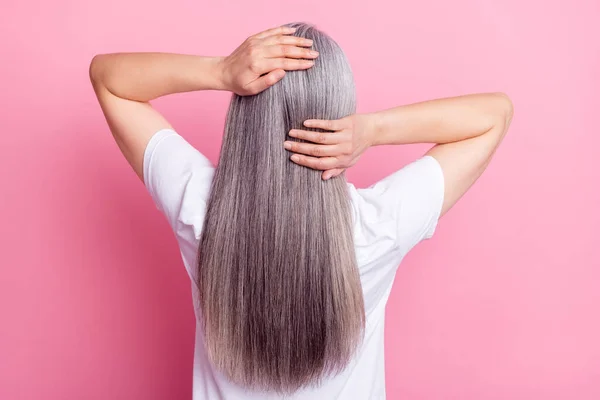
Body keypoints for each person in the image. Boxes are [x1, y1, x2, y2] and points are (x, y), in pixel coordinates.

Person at [89, 22, 513, 400]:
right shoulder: (377, 226)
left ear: (244, 110)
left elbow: (108, 78)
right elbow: (494, 114)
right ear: (339, 113)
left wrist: (220, 71)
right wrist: (373, 129)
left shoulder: (199, 209)